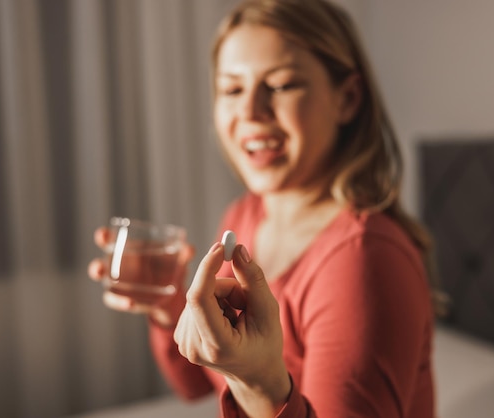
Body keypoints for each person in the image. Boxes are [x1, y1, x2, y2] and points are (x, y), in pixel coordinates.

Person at [88, 0, 438, 416]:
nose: (250, 112)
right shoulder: (244, 217)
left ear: (346, 99)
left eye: (282, 84)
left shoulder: (363, 258)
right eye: (232, 89)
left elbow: (241, 386)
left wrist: (258, 380)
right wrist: (168, 308)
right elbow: (198, 382)